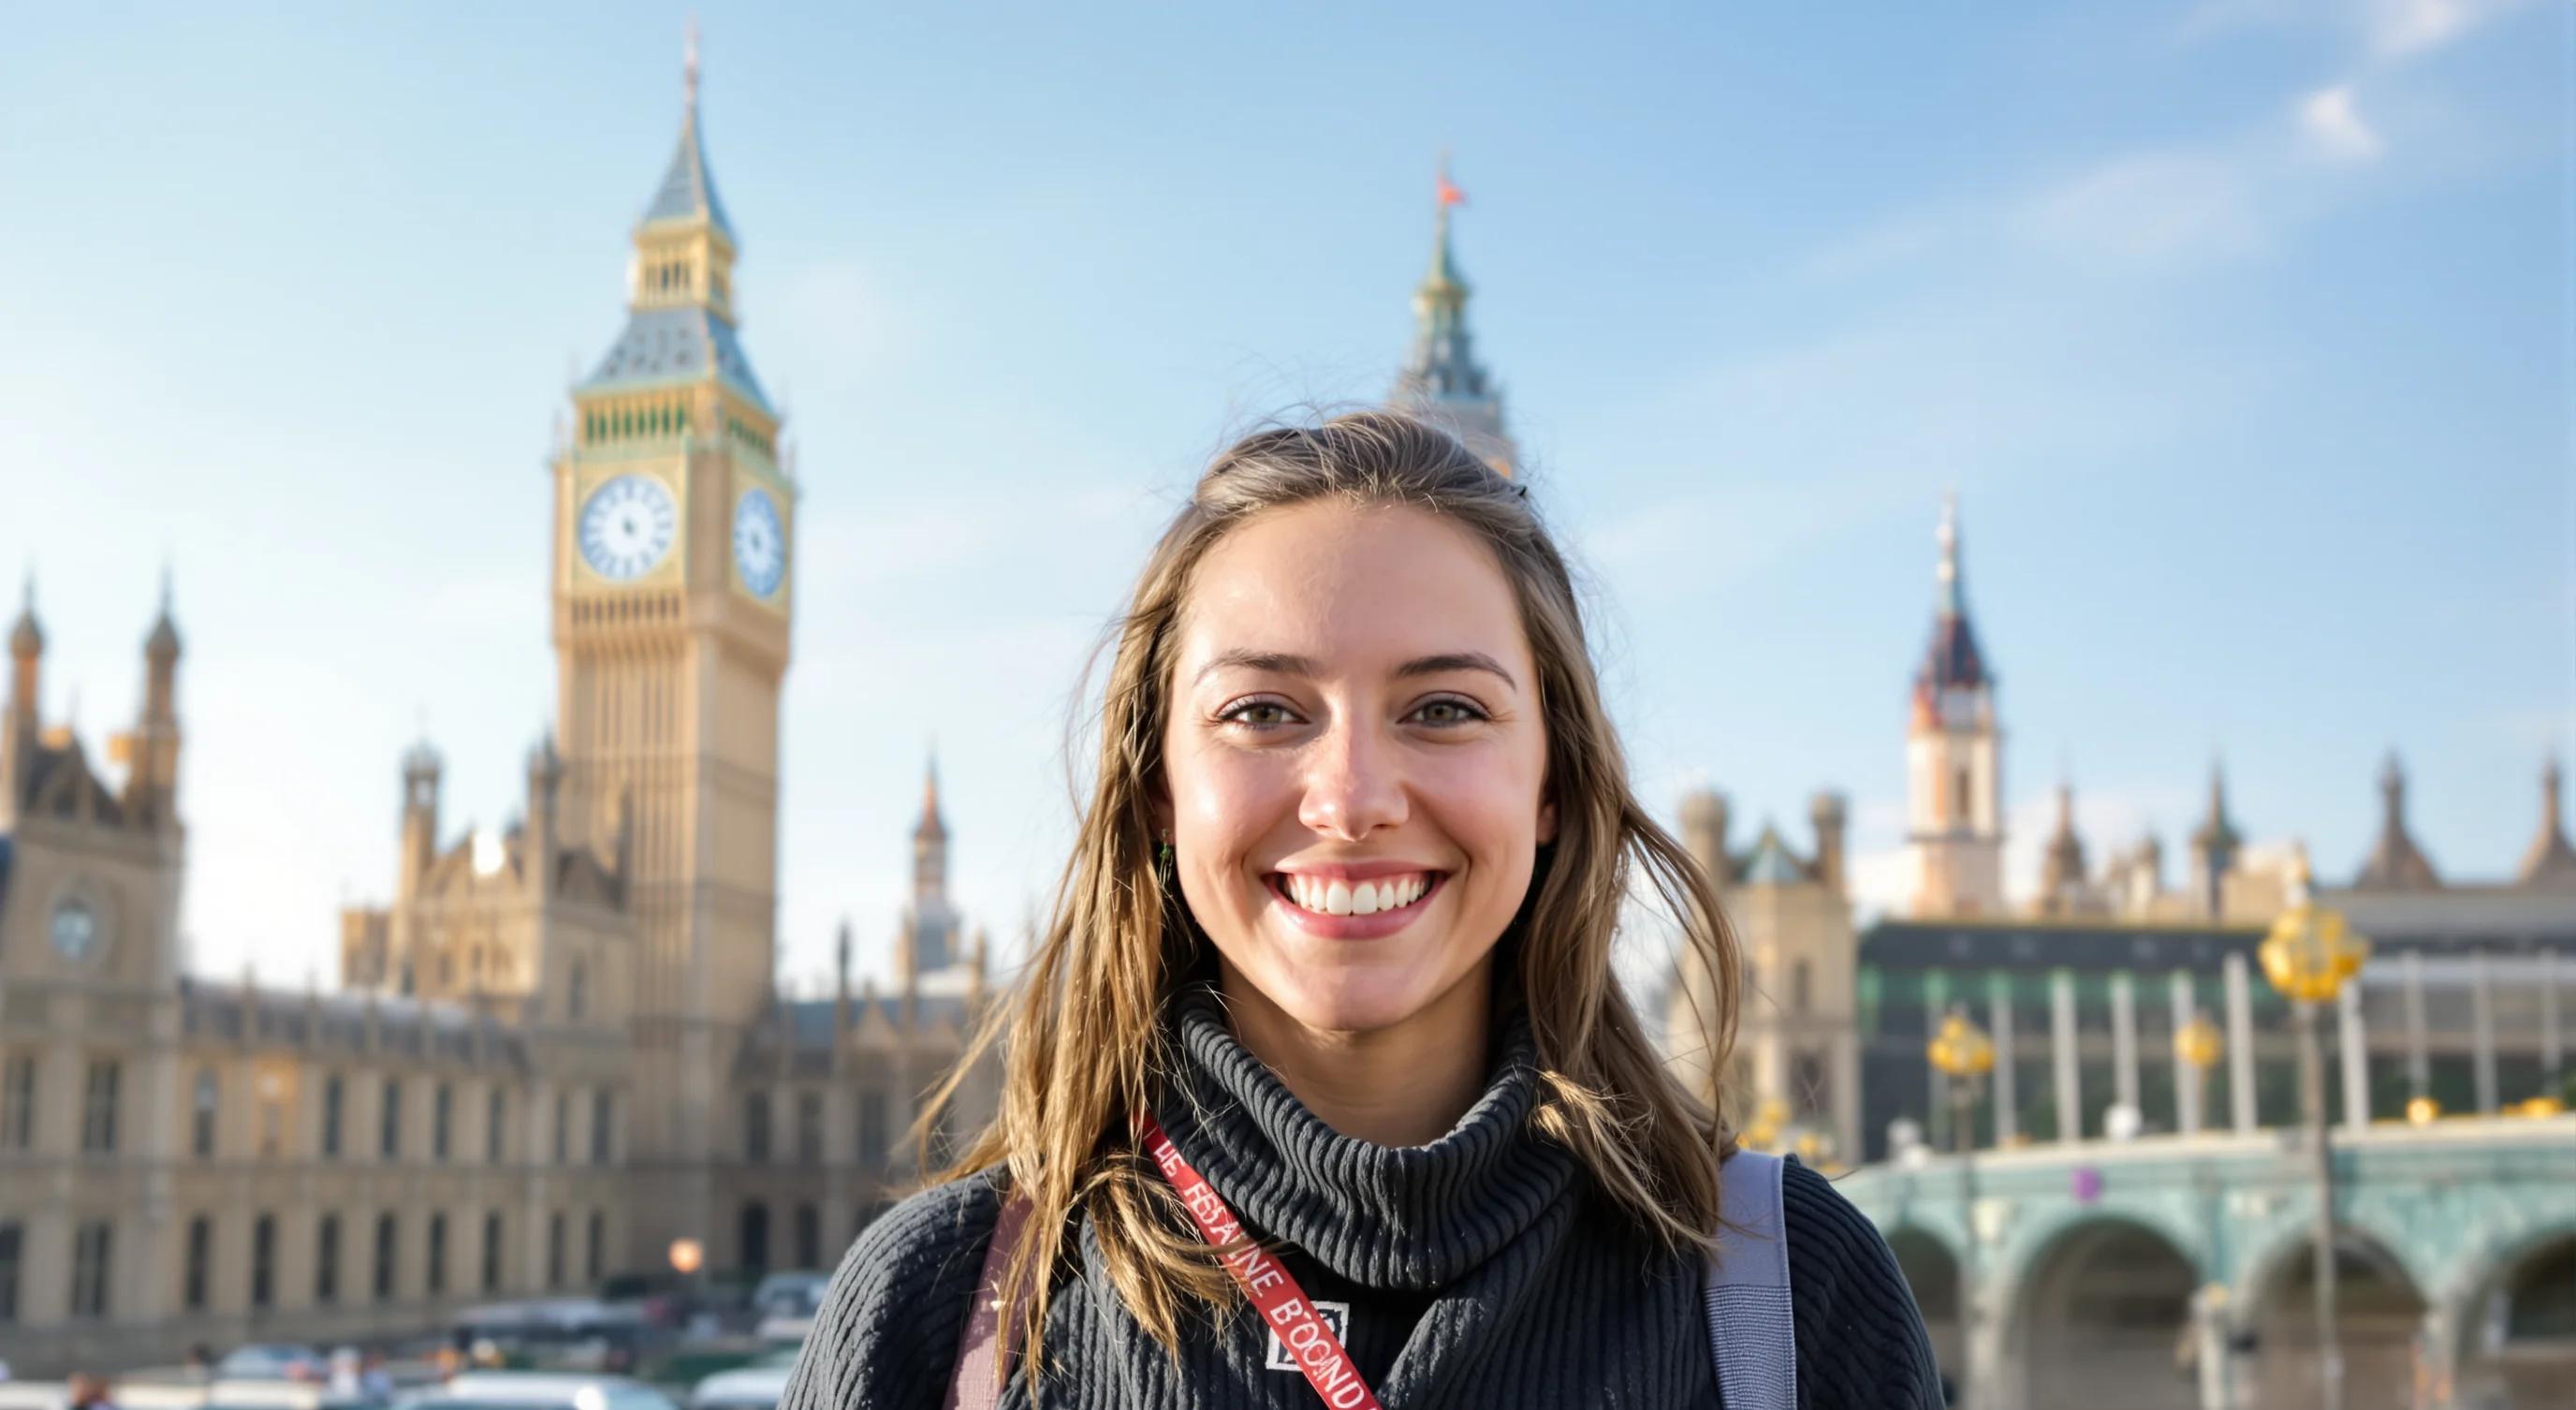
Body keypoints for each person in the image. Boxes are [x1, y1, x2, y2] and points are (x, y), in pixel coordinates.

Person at [779, 411, 1941, 1407]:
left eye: (1442, 709)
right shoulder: (941, 1317)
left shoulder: (1782, 1295)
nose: (1350, 801)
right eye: (1263, 712)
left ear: (1553, 782)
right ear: (1156, 793)